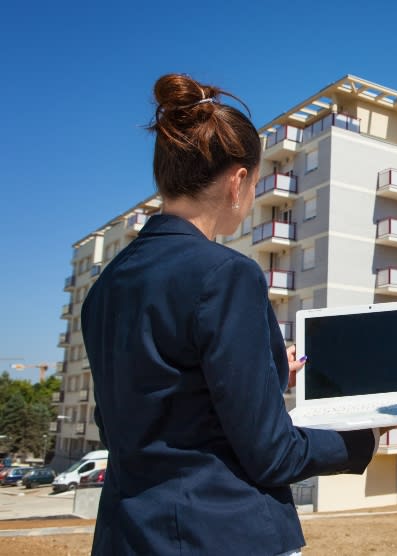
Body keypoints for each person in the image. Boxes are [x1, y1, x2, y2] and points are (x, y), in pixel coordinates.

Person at [81, 74, 378, 555]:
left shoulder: (105, 287)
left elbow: (140, 413)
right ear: (238, 182)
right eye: (256, 183)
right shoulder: (226, 274)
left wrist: (270, 372)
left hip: (128, 538)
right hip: (221, 533)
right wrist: (365, 437)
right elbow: (272, 453)